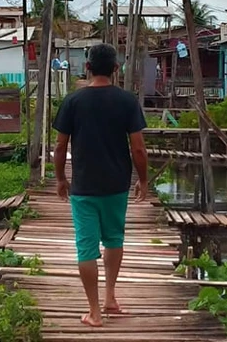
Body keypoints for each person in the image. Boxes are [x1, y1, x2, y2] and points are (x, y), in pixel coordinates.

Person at [50, 43, 152, 328]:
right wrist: (143, 181)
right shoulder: (127, 101)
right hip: (117, 183)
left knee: (86, 248)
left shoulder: (73, 101)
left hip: (83, 186)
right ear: (116, 69)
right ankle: (110, 297)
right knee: (114, 240)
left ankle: (94, 311)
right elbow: (139, 149)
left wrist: (60, 179)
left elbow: (60, 148)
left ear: (88, 68)